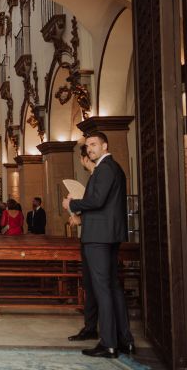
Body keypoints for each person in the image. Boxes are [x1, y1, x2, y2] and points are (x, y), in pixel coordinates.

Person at [63, 132, 134, 358]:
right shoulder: (114, 168)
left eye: (94, 144)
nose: (90, 149)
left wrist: (71, 204)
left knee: (103, 289)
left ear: (105, 145)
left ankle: (109, 343)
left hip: (98, 237)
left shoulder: (104, 168)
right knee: (113, 287)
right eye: (88, 146)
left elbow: (96, 200)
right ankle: (125, 340)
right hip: (109, 234)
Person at [67, 143, 99, 344]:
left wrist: (72, 206)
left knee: (99, 286)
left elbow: (97, 205)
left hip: (97, 238)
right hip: (93, 237)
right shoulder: (96, 176)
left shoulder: (102, 174)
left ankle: (105, 333)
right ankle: (92, 327)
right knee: (93, 285)